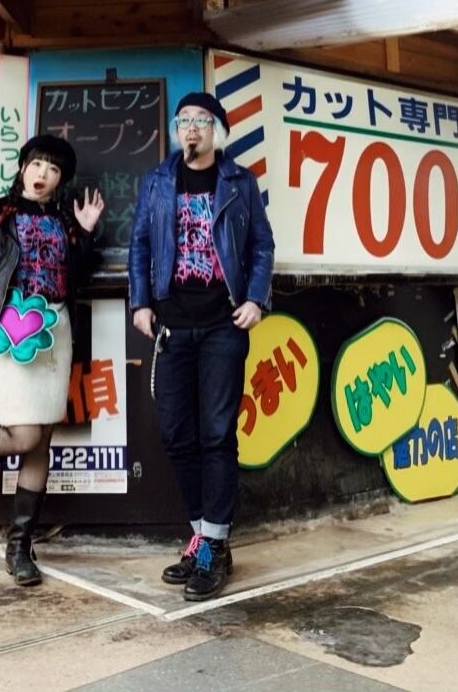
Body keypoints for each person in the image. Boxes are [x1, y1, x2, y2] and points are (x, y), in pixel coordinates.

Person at [128, 91, 274, 602]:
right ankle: (201, 536)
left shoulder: (239, 182)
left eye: (202, 121)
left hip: (222, 325)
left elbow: (261, 244)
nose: (191, 128)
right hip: (171, 325)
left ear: (218, 132)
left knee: (216, 433)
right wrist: (140, 302)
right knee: (175, 434)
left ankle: (214, 546)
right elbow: (140, 244)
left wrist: (255, 298)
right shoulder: (157, 181)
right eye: (183, 120)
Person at [0, 134, 104, 587]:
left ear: (60, 180)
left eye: (53, 169)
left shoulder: (66, 222)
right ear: (23, 168)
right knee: (25, 434)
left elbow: (78, 276)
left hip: (55, 329)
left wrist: (85, 233)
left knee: (40, 441)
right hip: (8, 327)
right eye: (37, 164)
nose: (43, 174)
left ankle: (19, 547)